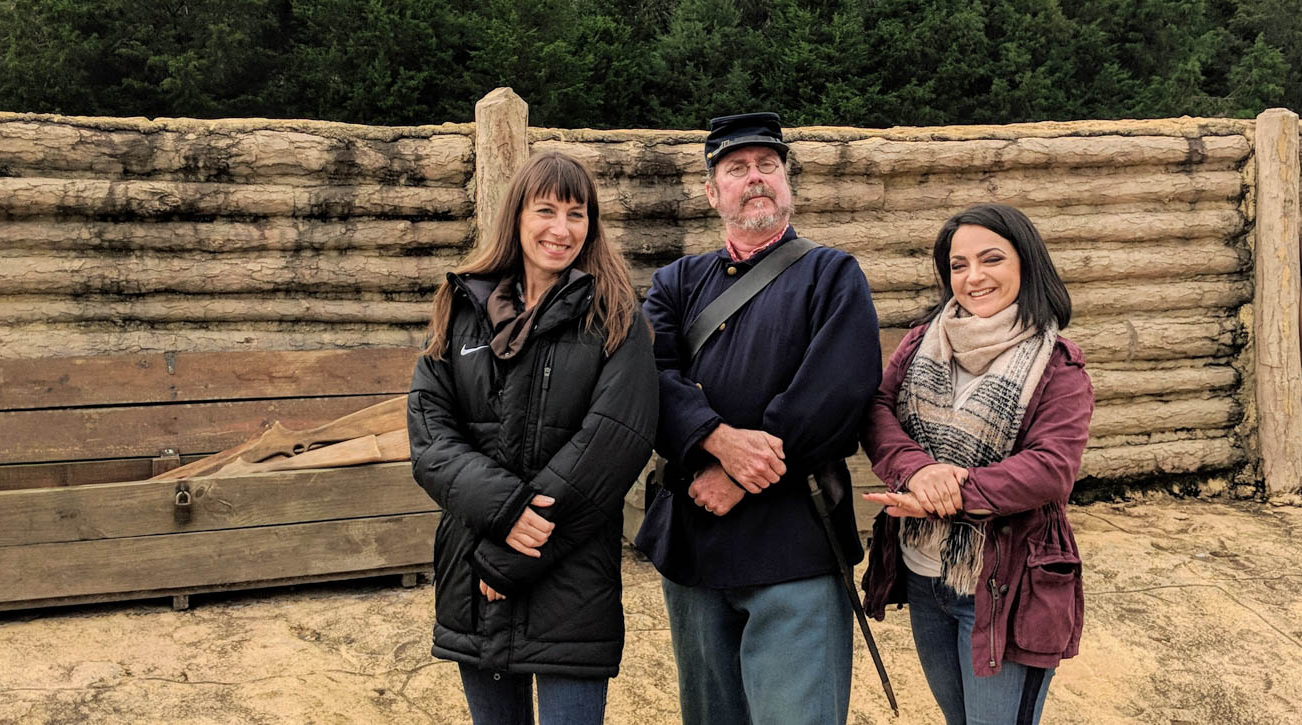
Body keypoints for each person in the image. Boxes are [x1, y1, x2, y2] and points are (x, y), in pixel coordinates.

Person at [633, 112, 882, 725]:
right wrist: (716, 437)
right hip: (695, 543)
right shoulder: (675, 283)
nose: (755, 179)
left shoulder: (833, 275)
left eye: (768, 166)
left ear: (788, 183)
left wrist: (741, 474)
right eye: (736, 169)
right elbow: (644, 381)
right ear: (712, 191)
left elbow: (836, 391)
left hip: (794, 542)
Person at [407, 151, 659, 725]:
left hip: (569, 581)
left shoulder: (617, 318)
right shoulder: (461, 308)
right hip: (470, 572)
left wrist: (510, 556)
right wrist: (502, 515)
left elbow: (615, 444)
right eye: (545, 210)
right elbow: (429, 435)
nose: (561, 229)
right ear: (516, 218)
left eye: (576, 214)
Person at [860, 203, 1093, 725]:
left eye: (991, 259)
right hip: (925, 574)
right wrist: (918, 470)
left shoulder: (1058, 365)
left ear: (1026, 264)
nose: (973, 277)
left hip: (1007, 582)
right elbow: (876, 409)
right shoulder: (923, 341)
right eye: (958, 265)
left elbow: (1051, 468)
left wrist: (950, 492)